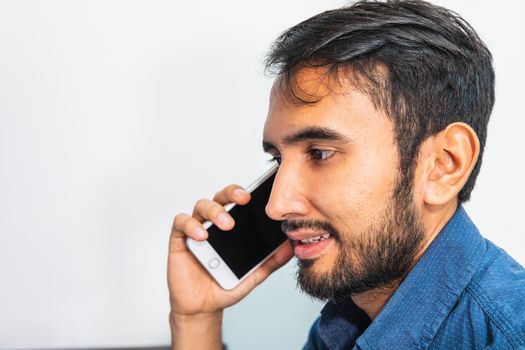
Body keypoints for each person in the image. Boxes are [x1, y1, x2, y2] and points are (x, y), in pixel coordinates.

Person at [168, 0, 525, 348]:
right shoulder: (344, 321)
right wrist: (196, 320)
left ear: (445, 165)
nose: (275, 206)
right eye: (278, 159)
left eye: (320, 153)